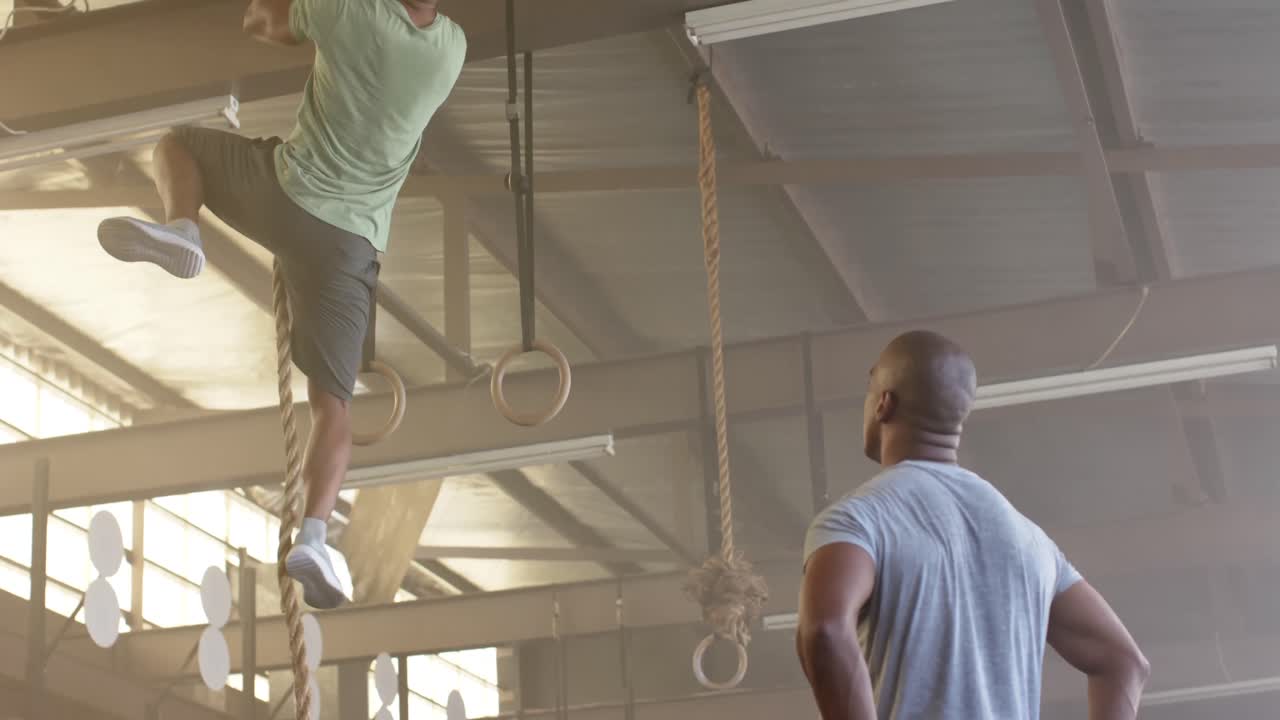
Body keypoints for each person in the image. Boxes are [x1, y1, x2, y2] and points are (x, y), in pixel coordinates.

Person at [96, 0, 467, 609]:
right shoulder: (450, 50)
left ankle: (185, 228)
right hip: (350, 249)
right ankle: (316, 535)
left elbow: (260, 22)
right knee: (333, 407)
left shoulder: (350, 11)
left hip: (287, 198)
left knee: (178, 146)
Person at [797, 331, 1150, 720]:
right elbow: (1124, 662)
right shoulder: (1030, 541)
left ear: (884, 404)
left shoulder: (860, 519)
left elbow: (825, 629)